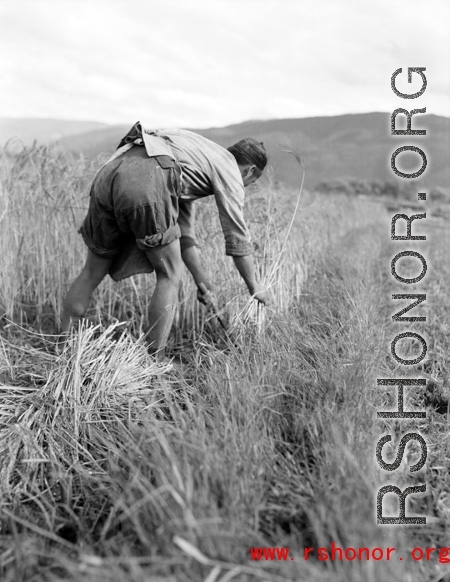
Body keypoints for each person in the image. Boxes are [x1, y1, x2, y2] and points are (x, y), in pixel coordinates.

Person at [60, 121, 269, 358]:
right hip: (150, 177)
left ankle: (64, 346)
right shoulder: (231, 169)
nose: (246, 186)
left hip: (110, 172)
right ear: (250, 170)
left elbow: (184, 233)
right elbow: (237, 236)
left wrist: (202, 281)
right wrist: (255, 287)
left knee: (91, 271)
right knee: (170, 274)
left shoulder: (198, 155)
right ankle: (153, 362)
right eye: (250, 183)